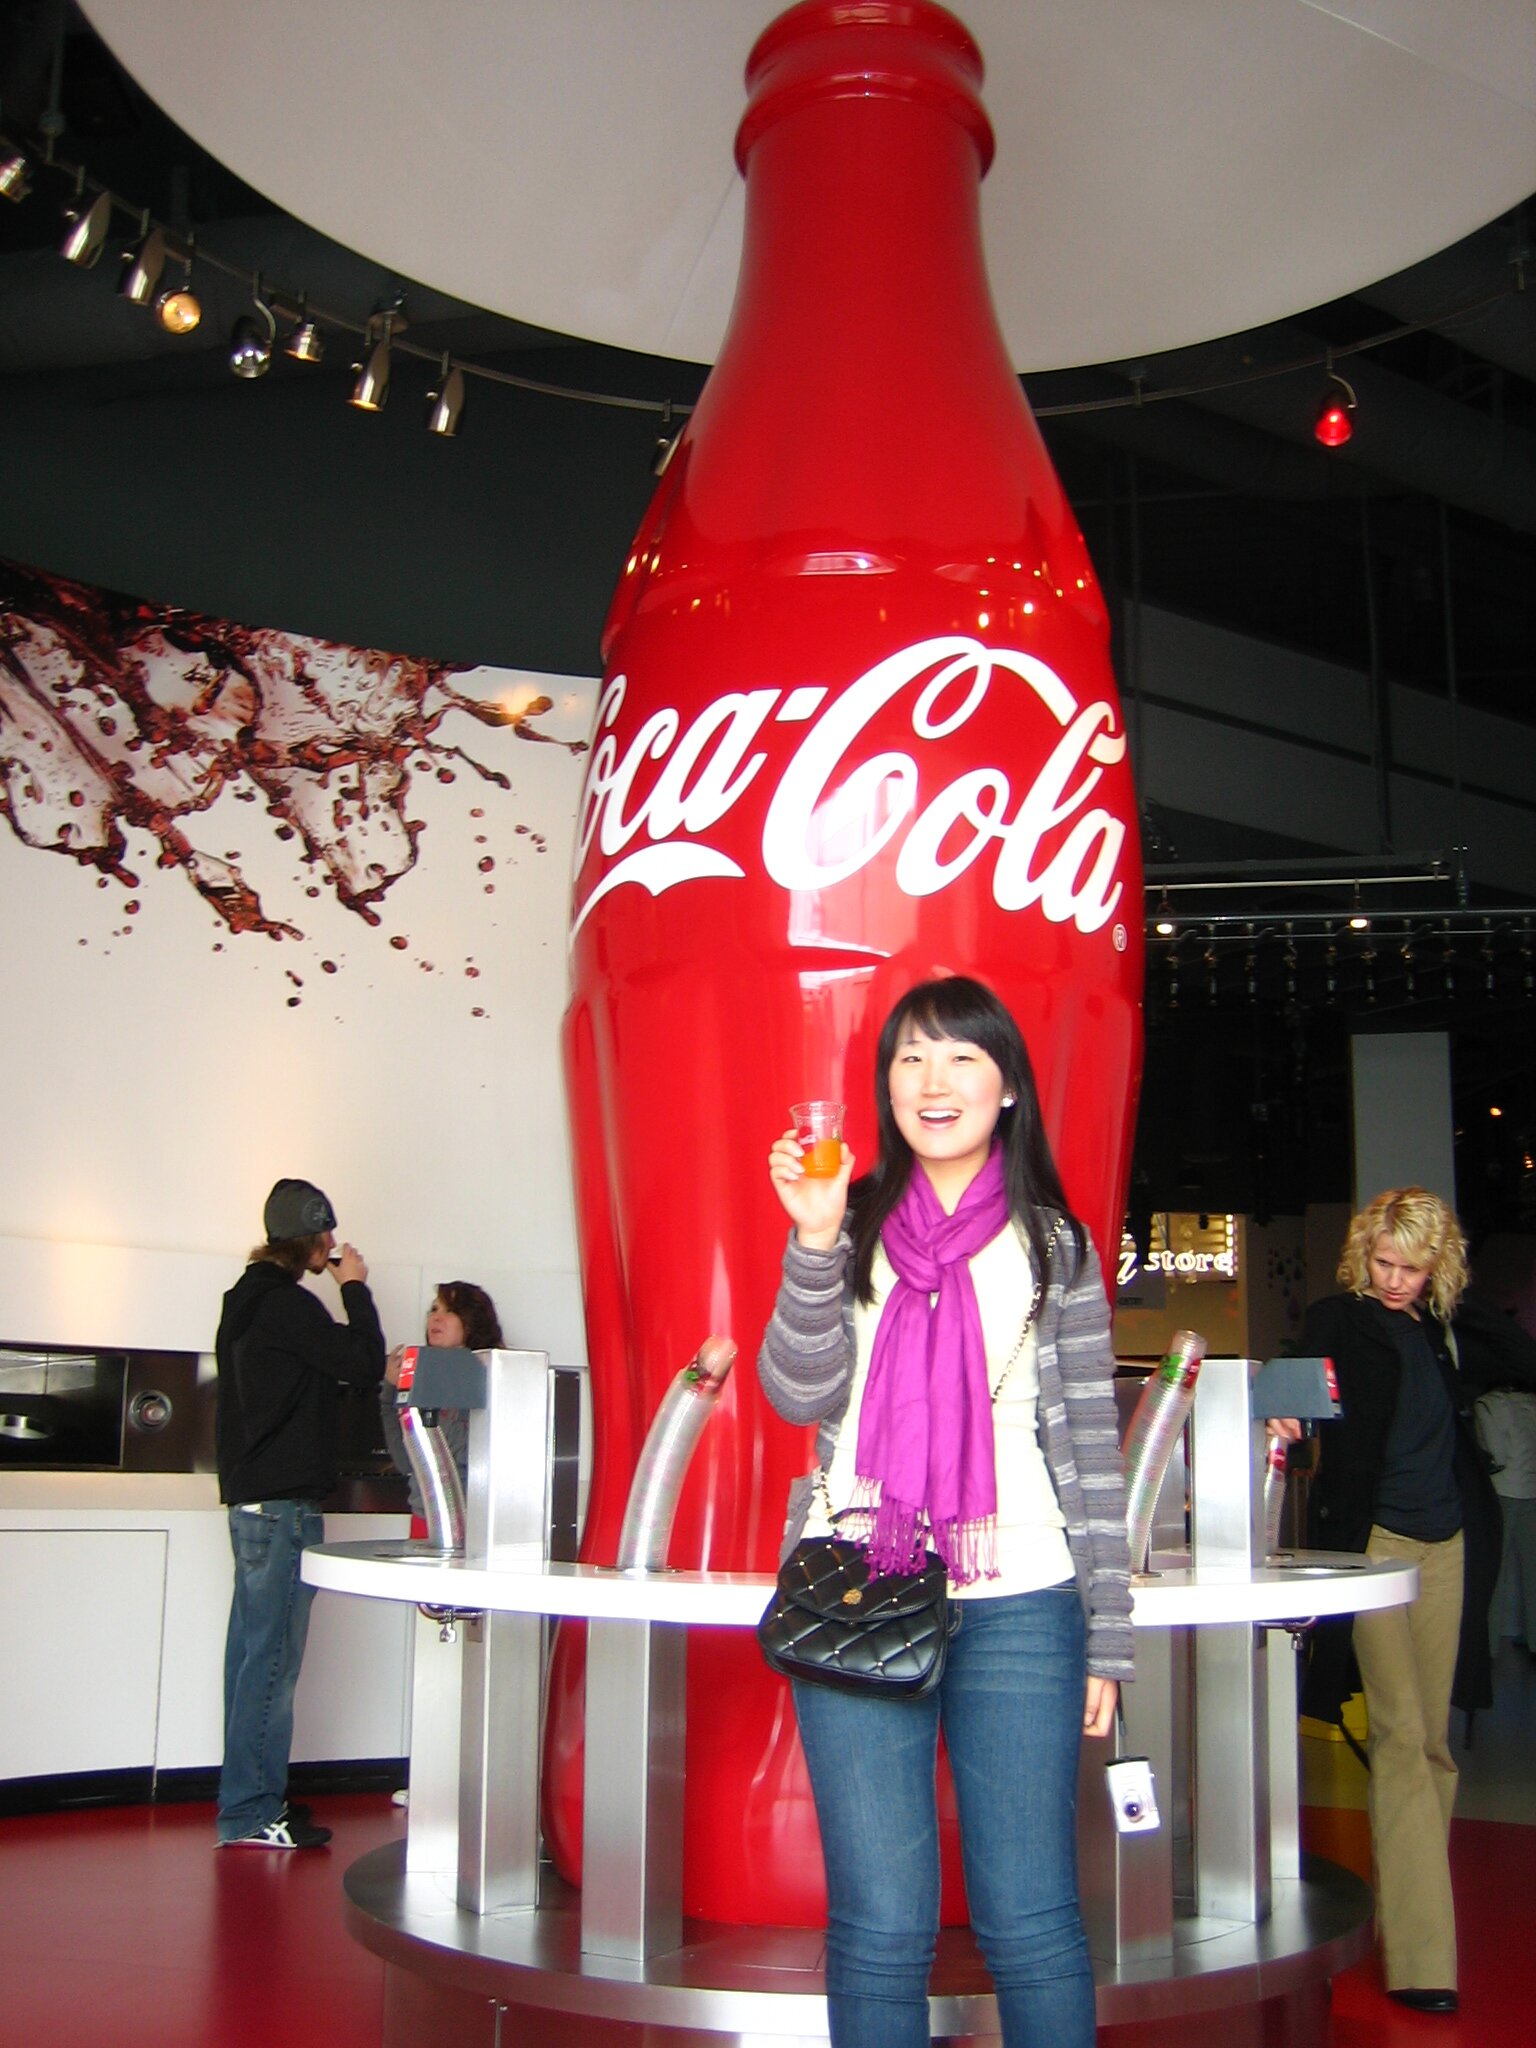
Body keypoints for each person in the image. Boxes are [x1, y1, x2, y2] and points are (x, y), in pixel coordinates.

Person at [758, 975, 1132, 2048]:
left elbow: (1091, 1452)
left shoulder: (1056, 1246)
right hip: (858, 1584)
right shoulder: (849, 1219)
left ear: (1007, 1086)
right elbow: (798, 1392)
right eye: (911, 1057)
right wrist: (814, 1241)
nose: (934, 1079)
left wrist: (1109, 1634)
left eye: (963, 1056)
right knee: (879, 1926)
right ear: (886, 1087)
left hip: (1025, 1601)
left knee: (1033, 1918)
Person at [1289, 1187, 1536, 2015]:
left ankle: (1414, 1917)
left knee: (1433, 1746)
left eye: (1412, 1267)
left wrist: (1452, 1297)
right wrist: (1285, 1417)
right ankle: (1425, 1959)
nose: (1394, 1280)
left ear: (1438, 1267)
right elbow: (1296, 1389)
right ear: (1363, 1254)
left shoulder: (1442, 1329)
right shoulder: (1339, 1318)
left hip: (1450, 1543)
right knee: (1399, 1738)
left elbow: (1523, 1357)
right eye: (1384, 1262)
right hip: (1376, 1548)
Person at [214, 1177, 385, 1849]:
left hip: (251, 1503)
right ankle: (252, 1812)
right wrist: (355, 1288)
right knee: (273, 1662)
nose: (334, 1245)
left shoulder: (244, 1301)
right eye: (327, 1234)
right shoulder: (290, 1306)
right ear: (312, 1238)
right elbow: (363, 1363)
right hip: (283, 1507)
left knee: (249, 1657)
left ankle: (250, 1798)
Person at [380, 1281, 506, 1535]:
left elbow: (470, 1458)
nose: (436, 1318)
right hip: (424, 1515)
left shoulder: (491, 1375)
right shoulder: (423, 1374)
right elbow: (406, 1461)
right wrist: (391, 1390)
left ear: (472, 1322)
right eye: (434, 1310)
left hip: (471, 1522)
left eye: (450, 1311)